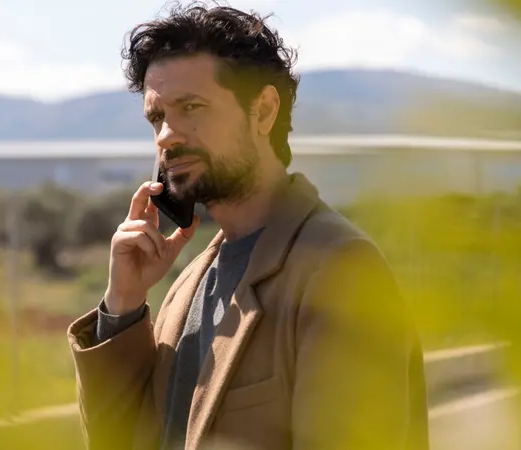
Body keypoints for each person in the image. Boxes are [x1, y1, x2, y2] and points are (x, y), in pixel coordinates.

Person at [67, 3, 429, 449]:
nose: (166, 136)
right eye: (157, 117)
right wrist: (123, 304)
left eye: (191, 107)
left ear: (263, 111)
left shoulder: (341, 271)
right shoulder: (188, 285)